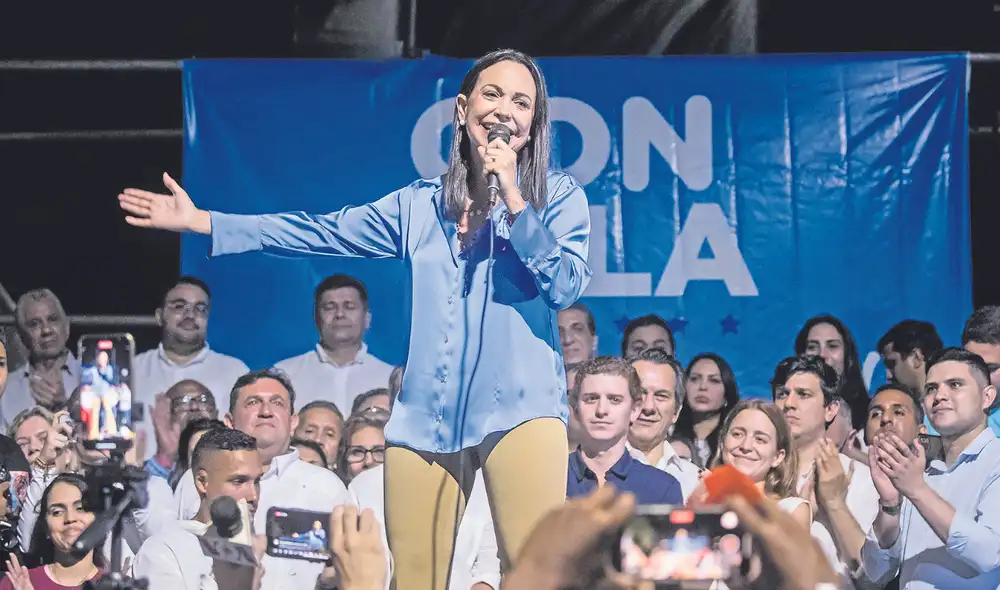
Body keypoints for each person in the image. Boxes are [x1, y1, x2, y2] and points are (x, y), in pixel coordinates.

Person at [118, 48, 590, 589]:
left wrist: (513, 197)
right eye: (492, 93)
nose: (505, 108)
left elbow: (565, 284)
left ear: (533, 124)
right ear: (462, 109)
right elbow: (321, 231)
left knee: (536, 575)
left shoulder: (556, 196)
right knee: (414, 581)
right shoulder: (420, 205)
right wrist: (206, 221)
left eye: (521, 101)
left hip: (522, 410)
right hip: (427, 420)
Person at [2, 474, 104, 589]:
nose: (70, 518)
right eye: (57, 512)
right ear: (45, 526)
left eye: (81, 508)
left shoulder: (118, 585)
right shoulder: (17, 583)